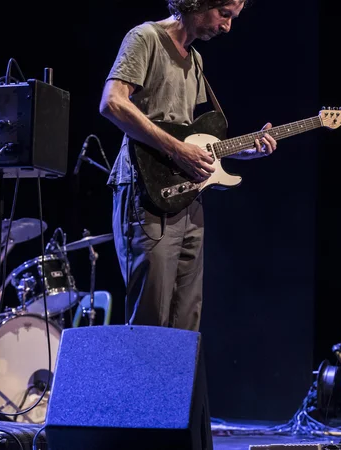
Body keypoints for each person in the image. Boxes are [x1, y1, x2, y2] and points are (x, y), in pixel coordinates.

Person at [99, 0, 277, 331]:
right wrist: (178, 150)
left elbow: (194, 140)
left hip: (186, 195)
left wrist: (241, 152)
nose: (227, 26)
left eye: (232, 19)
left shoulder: (195, 60)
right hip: (144, 190)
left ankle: (176, 385)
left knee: (186, 320)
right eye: (224, 14)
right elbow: (112, 103)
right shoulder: (146, 38)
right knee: (151, 319)